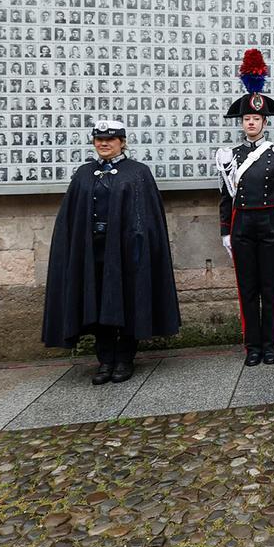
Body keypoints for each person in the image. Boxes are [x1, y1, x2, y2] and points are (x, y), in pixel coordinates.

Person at [42, 119, 181, 384]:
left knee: (126, 301)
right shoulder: (84, 174)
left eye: (110, 139)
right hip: (92, 251)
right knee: (97, 302)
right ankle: (105, 360)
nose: (104, 144)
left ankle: (125, 359)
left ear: (122, 142)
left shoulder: (137, 173)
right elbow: (71, 218)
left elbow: (147, 217)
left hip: (127, 252)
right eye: (99, 140)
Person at [217, 49, 274, 367]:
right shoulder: (229, 155)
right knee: (247, 287)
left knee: (271, 285)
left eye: (256, 119)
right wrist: (225, 229)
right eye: (247, 119)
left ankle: (270, 344)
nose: (251, 123)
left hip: (271, 223)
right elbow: (225, 195)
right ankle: (252, 345)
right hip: (242, 225)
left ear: (265, 122)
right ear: (242, 123)